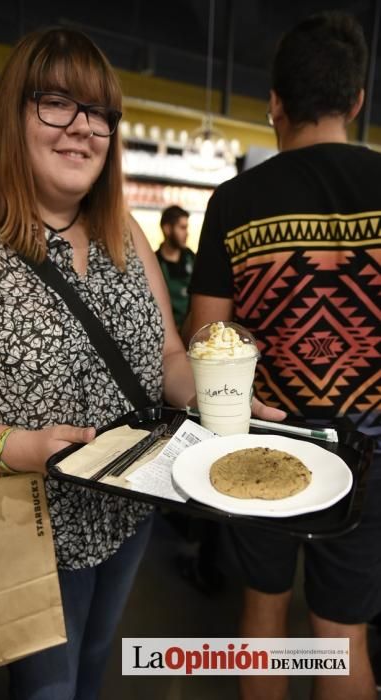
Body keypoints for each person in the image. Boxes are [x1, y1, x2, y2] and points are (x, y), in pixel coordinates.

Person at [0, 26, 283, 700]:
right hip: (29, 526)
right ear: (13, 115)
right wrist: (19, 446)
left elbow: (170, 356)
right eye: (56, 103)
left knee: (94, 666)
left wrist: (212, 396)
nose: (82, 128)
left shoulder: (125, 234)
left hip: (129, 511)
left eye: (99, 114)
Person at [187, 11, 381, 700]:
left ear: (274, 104)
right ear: (355, 101)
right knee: (341, 635)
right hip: (370, 444)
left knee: (261, 613)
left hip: (261, 434)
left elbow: (207, 343)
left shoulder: (235, 202)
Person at [155, 205, 195, 329]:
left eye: (187, 228)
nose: (187, 233)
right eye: (182, 228)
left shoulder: (193, 258)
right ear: (167, 229)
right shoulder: (154, 263)